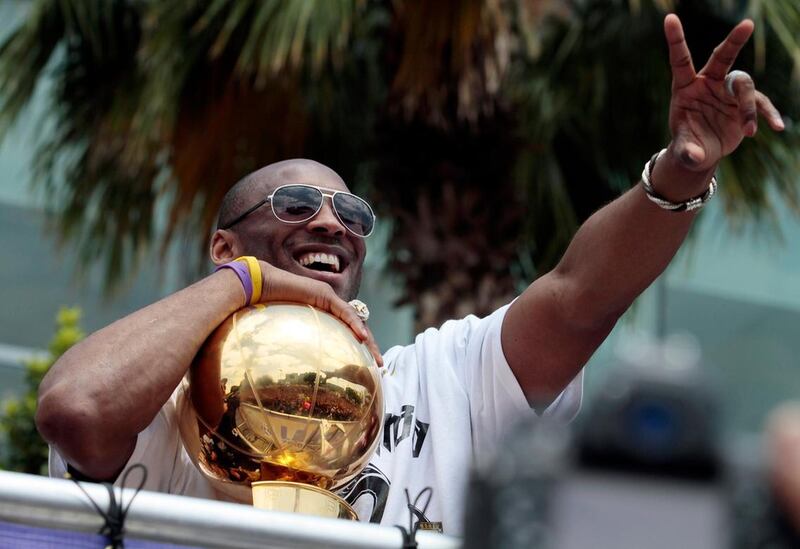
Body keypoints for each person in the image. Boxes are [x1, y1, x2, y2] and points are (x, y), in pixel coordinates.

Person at [35, 14, 785, 536]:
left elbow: (578, 298)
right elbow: (76, 408)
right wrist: (247, 289)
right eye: (296, 203)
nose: (330, 222)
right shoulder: (160, 403)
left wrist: (680, 173)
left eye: (352, 212)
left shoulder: (436, 377)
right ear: (225, 245)